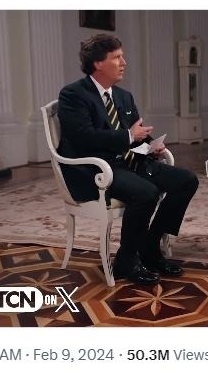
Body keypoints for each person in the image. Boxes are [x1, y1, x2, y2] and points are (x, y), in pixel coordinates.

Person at [57, 34, 199, 286]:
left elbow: (135, 133)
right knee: (146, 193)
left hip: (129, 162)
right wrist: (129, 136)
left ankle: (150, 247)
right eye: (117, 57)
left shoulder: (123, 96)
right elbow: (83, 138)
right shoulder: (73, 95)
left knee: (187, 180)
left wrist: (151, 145)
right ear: (98, 63)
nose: (124, 62)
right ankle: (127, 260)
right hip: (96, 169)